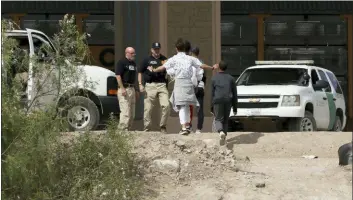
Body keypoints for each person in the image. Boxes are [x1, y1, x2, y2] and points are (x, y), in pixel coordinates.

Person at [148, 38, 217, 135]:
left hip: (179, 84)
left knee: (181, 106)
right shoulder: (191, 58)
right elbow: (202, 65)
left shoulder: (174, 59)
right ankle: (187, 125)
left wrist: (153, 70)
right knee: (187, 106)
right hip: (189, 84)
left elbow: (162, 67)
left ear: (177, 48)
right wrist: (212, 67)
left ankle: (184, 127)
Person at [138, 42, 170, 133]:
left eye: (158, 49)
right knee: (148, 108)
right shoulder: (146, 60)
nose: (157, 50)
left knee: (166, 105)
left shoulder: (164, 59)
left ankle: (163, 126)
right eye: (155, 49)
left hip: (162, 85)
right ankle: (147, 128)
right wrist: (140, 84)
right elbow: (140, 72)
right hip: (150, 85)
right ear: (152, 50)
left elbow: (169, 70)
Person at [211, 61, 238, 145]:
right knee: (225, 120)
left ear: (218, 67)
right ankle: (224, 138)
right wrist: (235, 107)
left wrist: (211, 106)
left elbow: (212, 93)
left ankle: (221, 132)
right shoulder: (231, 78)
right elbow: (235, 93)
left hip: (217, 100)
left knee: (218, 119)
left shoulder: (214, 78)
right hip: (228, 100)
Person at [115, 47, 139, 131]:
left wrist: (136, 90)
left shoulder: (134, 64)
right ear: (127, 53)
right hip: (124, 88)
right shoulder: (121, 62)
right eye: (132, 53)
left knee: (132, 113)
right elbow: (118, 76)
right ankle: (122, 130)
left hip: (132, 88)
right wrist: (122, 88)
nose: (134, 55)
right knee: (125, 112)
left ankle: (128, 129)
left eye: (134, 53)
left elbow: (134, 78)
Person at [190, 47, 206, 134]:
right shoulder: (201, 62)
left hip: (191, 87)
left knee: (189, 108)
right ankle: (199, 129)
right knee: (200, 108)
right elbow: (205, 77)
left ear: (191, 53)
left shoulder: (189, 62)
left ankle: (189, 127)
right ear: (198, 53)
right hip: (200, 87)